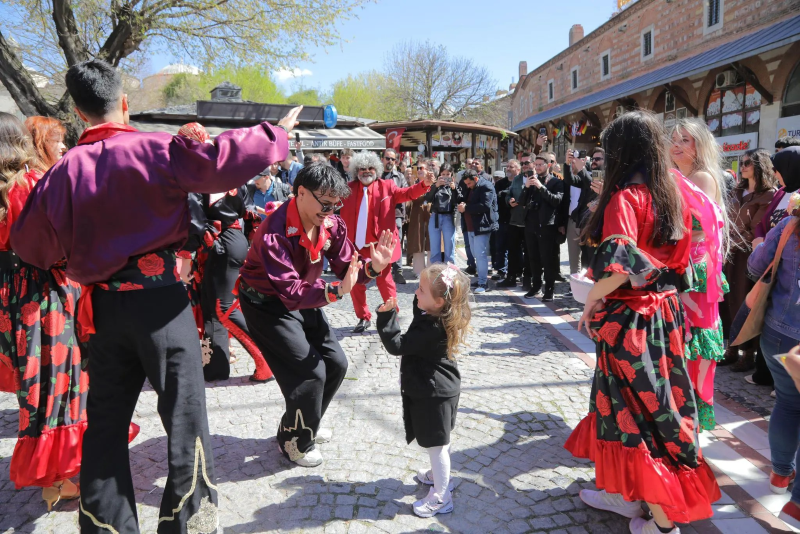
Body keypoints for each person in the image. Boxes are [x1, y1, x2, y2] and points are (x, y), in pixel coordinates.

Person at [10, 59, 299, 533]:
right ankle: (185, 521)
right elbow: (219, 162)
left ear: (81, 114)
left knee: (104, 422)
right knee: (184, 414)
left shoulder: (64, 169)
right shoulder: (155, 148)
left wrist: (75, 257)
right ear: (123, 103)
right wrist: (272, 134)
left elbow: (30, 245)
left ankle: (107, 525)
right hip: (163, 302)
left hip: (101, 308)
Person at [566, 111, 720, 534]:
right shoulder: (673, 193)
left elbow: (619, 267)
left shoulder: (628, 198)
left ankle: (662, 522)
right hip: (666, 318)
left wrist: (591, 298)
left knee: (635, 416)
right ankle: (632, 499)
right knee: (661, 409)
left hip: (630, 322)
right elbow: (690, 261)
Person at [238, 164, 396, 467]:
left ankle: (304, 424)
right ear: (300, 193)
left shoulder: (331, 224)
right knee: (310, 372)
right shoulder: (274, 231)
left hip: (305, 296)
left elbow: (346, 269)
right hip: (266, 304)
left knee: (336, 363)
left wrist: (373, 267)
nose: (331, 210)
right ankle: (295, 442)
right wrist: (335, 291)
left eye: (336, 204)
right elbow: (291, 292)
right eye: (325, 203)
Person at [0, 112, 85, 509]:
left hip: (7, 297)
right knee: (58, 381)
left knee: (31, 384)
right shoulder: (31, 185)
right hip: (43, 292)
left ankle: (57, 473)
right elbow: (60, 245)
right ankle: (59, 474)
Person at [176, 122, 274, 383]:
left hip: (218, 243)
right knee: (211, 306)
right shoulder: (227, 169)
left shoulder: (195, 172)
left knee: (222, 308)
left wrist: (185, 257)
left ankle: (265, 357)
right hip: (233, 238)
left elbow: (194, 220)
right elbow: (248, 209)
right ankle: (215, 367)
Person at [376, 263, 470, 518]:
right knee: (440, 441)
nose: (415, 293)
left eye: (421, 290)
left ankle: (442, 496)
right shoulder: (435, 315)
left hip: (434, 395)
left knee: (437, 445)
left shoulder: (431, 327)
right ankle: (440, 475)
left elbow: (398, 345)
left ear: (439, 302)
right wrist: (416, 299)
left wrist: (386, 317)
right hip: (440, 390)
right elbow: (419, 312)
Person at [669, 118, 730, 431]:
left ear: (700, 145)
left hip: (697, 272)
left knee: (696, 341)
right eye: (674, 139)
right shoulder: (680, 176)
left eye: (686, 140)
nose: (676, 145)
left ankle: (691, 416)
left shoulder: (702, 177)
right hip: (684, 268)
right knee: (683, 339)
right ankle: (681, 411)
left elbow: (698, 231)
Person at [746, 208, 800, 528]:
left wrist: (759, 244)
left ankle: (781, 475)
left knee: (787, 403)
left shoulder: (789, 226)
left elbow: (756, 266)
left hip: (778, 335)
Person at [340, 151, 432, 333]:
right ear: (356, 171)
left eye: (370, 168)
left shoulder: (388, 186)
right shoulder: (347, 189)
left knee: (385, 283)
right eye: (362, 169)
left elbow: (407, 193)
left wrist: (424, 185)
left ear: (377, 169)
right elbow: (331, 201)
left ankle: (392, 317)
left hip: (381, 247)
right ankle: (363, 317)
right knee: (356, 285)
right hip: (356, 247)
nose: (366, 172)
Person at [719, 149, 777, 369]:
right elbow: (727, 218)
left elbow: (756, 228)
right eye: (741, 163)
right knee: (727, 299)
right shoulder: (737, 190)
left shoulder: (768, 194)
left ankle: (749, 353)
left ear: (760, 166)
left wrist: (733, 244)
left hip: (747, 254)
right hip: (728, 251)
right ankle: (731, 348)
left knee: (745, 300)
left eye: (747, 163)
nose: (742, 167)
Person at [521, 153, 564, 301]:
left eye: (540, 165)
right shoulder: (532, 181)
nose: (537, 168)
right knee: (533, 257)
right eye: (536, 165)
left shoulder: (556, 182)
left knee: (548, 259)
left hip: (547, 225)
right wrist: (526, 188)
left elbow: (556, 201)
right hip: (531, 224)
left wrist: (541, 187)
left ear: (549, 165)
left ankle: (549, 289)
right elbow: (522, 202)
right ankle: (536, 286)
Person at [457, 169, 499, 294]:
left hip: (482, 225)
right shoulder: (470, 187)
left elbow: (484, 206)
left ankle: (483, 282)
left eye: (469, 183)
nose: (467, 186)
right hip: (471, 226)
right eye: (466, 184)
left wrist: (466, 208)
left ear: (475, 179)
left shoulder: (486, 186)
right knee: (476, 254)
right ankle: (481, 279)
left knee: (481, 255)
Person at [563, 149, 596, 274]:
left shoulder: (603, 178)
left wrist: (581, 168)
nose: (595, 162)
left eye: (598, 159)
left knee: (590, 258)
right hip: (580, 222)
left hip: (594, 224)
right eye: (594, 159)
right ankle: (580, 287)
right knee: (583, 258)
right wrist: (567, 164)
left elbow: (592, 185)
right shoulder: (584, 176)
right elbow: (569, 180)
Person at [500, 155, 530, 289]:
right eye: (522, 163)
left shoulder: (537, 179)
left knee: (529, 253)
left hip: (530, 222)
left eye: (527, 163)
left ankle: (528, 279)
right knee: (512, 251)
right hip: (515, 221)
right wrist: (509, 200)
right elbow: (508, 194)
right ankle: (511, 277)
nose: (524, 165)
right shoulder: (517, 180)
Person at [382, 148, 410, 284]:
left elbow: (404, 194)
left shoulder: (399, 176)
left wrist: (403, 216)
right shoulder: (377, 176)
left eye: (393, 159)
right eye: (388, 158)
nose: (390, 161)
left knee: (396, 241)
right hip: (380, 215)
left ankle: (398, 271)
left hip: (396, 214)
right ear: (382, 159)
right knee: (380, 241)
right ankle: (380, 270)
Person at [426, 163, 458, 264]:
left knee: (449, 246)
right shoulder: (435, 185)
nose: (445, 177)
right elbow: (427, 198)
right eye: (443, 174)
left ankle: (450, 271)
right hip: (435, 216)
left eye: (447, 174)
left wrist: (454, 190)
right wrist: (435, 186)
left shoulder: (454, 186)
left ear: (451, 175)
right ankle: (436, 271)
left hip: (448, 216)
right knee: (435, 247)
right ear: (439, 174)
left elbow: (459, 200)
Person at [406, 161, 432, 276]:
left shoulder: (432, 182)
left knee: (432, 241)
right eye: (417, 168)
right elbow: (408, 198)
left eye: (422, 168)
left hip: (430, 213)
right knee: (418, 241)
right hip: (417, 213)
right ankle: (418, 270)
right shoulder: (413, 182)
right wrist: (411, 183)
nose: (420, 170)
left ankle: (431, 269)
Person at [491, 169, 511, 281]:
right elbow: (495, 198)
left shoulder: (520, 181)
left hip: (516, 220)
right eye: (507, 166)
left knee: (514, 248)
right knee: (500, 247)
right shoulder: (500, 184)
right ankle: (501, 270)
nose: (508, 168)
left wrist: (503, 194)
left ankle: (515, 272)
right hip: (501, 219)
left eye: (511, 166)